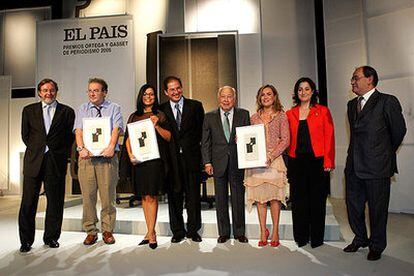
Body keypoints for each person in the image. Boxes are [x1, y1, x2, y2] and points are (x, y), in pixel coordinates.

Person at [343, 66, 406, 261]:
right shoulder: (351, 105)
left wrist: (382, 153)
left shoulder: (387, 101)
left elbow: (398, 131)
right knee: (353, 205)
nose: (352, 81)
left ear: (370, 79)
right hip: (354, 166)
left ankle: (377, 245)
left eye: (356, 78)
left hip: (377, 167)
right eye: (352, 78)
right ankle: (360, 238)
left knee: (378, 209)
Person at [18, 78, 75, 253]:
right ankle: (26, 241)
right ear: (39, 93)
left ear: (56, 91)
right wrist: (39, 149)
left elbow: (69, 137)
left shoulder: (67, 112)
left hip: (55, 162)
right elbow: (25, 136)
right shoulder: (28, 110)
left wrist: (56, 152)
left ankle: (51, 237)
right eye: (44, 90)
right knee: (28, 202)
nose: (48, 93)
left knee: (55, 202)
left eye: (51, 90)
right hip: (33, 162)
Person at [74, 77, 123, 245]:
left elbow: (116, 129)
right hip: (87, 159)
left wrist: (111, 146)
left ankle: (107, 230)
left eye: (96, 90)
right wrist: (81, 148)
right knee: (88, 197)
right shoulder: (82, 108)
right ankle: (90, 230)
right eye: (90, 90)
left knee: (108, 196)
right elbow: (78, 131)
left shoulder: (114, 108)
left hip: (107, 159)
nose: (92, 93)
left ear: (104, 92)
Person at [286, 77, 335, 248]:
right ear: (296, 93)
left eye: (307, 89)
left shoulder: (322, 111)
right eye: (300, 89)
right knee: (298, 201)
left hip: (317, 162)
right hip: (296, 162)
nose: (303, 92)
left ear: (313, 91)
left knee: (317, 201)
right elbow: (284, 139)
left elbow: (329, 137)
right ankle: (301, 237)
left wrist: (329, 161)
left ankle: (316, 238)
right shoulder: (289, 113)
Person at [121, 84, 172, 249]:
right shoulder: (134, 116)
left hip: (154, 163)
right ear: (140, 97)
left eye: (151, 94)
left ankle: (151, 233)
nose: (148, 97)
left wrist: (156, 126)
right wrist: (130, 155)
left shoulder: (160, 115)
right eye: (145, 94)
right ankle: (150, 231)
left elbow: (169, 137)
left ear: (155, 97)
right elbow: (128, 139)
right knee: (144, 197)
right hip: (139, 162)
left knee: (152, 196)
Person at [201, 86, 250, 244]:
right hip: (217, 163)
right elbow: (205, 142)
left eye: (230, 97)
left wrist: (242, 140)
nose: (226, 100)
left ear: (234, 99)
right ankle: (223, 232)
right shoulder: (209, 117)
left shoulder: (244, 114)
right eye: (223, 96)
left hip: (237, 162)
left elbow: (250, 138)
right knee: (220, 199)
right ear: (219, 98)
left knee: (238, 198)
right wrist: (207, 162)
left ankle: (239, 232)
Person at [159, 76, 205, 243]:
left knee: (193, 196)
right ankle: (177, 231)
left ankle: (193, 230)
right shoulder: (161, 110)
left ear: (182, 88)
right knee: (174, 196)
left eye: (178, 88)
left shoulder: (196, 106)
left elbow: (202, 133)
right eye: (171, 89)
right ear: (166, 92)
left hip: (192, 158)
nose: (176, 91)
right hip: (171, 161)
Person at [244, 85, 290, 247]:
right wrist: (240, 141)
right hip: (256, 162)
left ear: (275, 96)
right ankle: (263, 231)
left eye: (269, 94)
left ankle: (275, 231)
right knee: (260, 199)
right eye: (262, 94)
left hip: (274, 161)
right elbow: (249, 139)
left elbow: (285, 140)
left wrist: (271, 156)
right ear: (259, 98)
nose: (265, 97)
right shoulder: (254, 117)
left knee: (274, 199)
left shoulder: (282, 116)